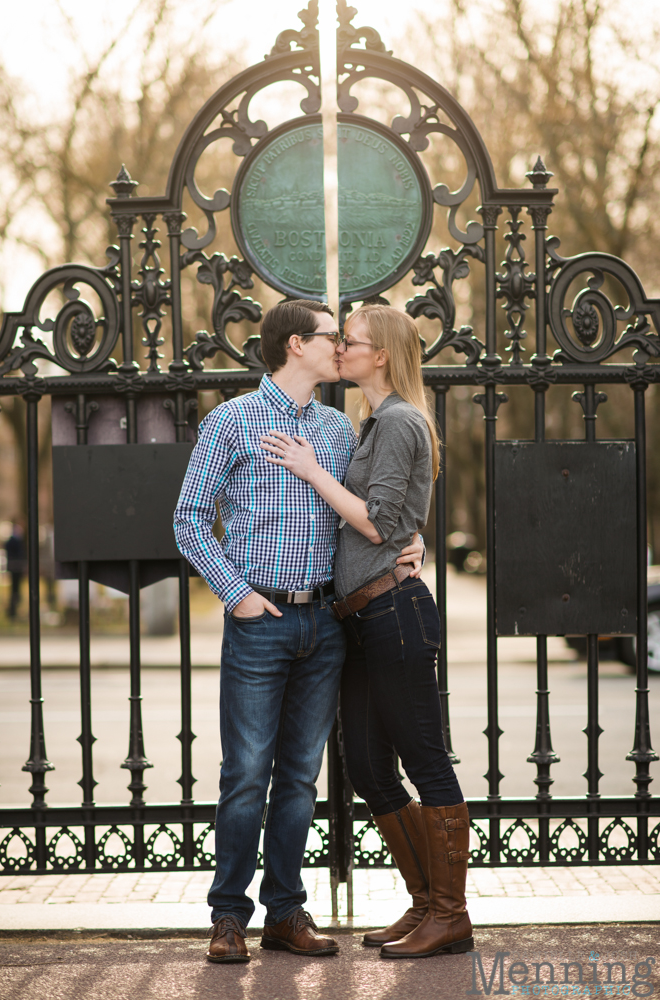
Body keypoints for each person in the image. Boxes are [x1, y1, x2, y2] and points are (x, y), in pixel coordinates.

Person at [173, 299, 422, 964]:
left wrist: (411, 538)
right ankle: (227, 916)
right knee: (246, 775)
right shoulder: (231, 421)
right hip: (261, 621)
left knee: (298, 779)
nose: (339, 347)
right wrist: (239, 597)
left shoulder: (341, 431)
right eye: (328, 337)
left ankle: (285, 913)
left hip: (326, 624)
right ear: (293, 346)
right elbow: (190, 518)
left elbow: (373, 509)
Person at [261, 304, 473, 960]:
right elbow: (393, 521)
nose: (340, 350)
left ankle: (450, 913)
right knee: (368, 768)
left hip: (394, 614)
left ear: (379, 355)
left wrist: (310, 470)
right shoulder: (372, 423)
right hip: (359, 615)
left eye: (349, 342)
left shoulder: (401, 420)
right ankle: (422, 904)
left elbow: (380, 523)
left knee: (425, 761)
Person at [4, 521, 26, 620]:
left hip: (17, 567)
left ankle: (13, 610)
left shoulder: (17, 540)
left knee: (16, 590)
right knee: (14, 590)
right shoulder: (13, 540)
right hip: (15, 567)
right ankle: (12, 611)